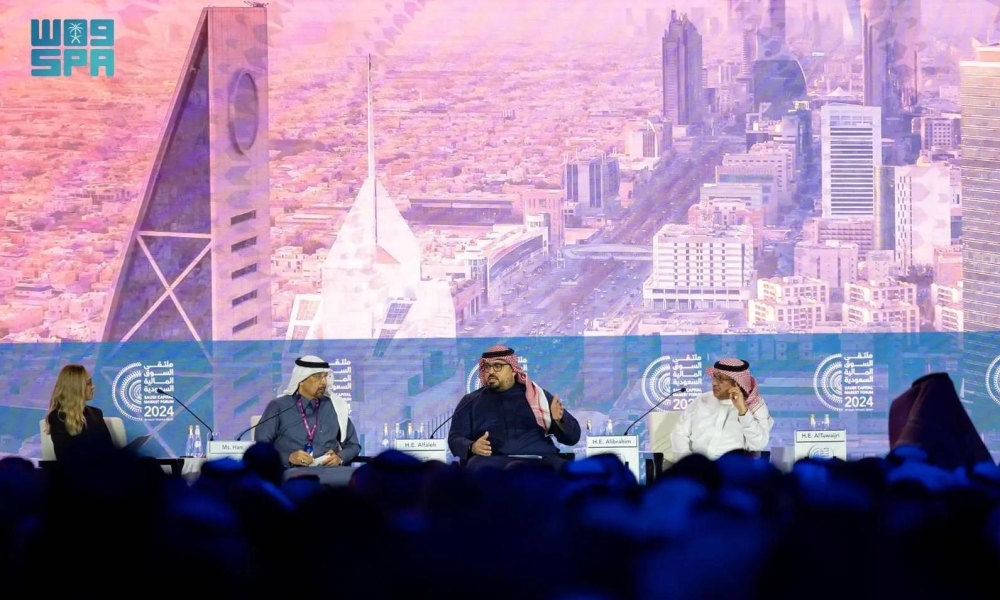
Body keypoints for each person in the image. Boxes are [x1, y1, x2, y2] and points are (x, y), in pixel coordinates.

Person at [448, 345, 581, 471]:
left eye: (498, 366)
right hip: (494, 463)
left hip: (540, 460)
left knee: (564, 469)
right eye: (487, 367)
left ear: (513, 370)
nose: (491, 371)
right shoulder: (471, 401)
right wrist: (472, 447)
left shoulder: (537, 395)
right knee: (477, 465)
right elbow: (455, 438)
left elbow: (573, 438)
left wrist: (559, 421)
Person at [255, 356, 362, 485]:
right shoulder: (279, 406)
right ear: (301, 380)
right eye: (317, 377)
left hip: (330, 473)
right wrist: (288, 457)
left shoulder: (335, 406)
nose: (324, 382)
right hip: (292, 474)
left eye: (325, 376)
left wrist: (340, 457)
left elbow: (353, 445)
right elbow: (262, 447)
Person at [670, 358, 773, 461]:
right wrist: (687, 462)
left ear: (737, 383)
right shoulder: (702, 400)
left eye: (721, 378)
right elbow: (679, 433)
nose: (715, 383)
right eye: (714, 377)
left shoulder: (755, 406)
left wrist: (743, 411)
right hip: (696, 464)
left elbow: (758, 445)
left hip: (730, 467)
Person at [45, 364, 115, 461]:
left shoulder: (96, 413)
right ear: (76, 387)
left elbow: (109, 449)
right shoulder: (58, 418)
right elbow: (65, 459)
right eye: (89, 383)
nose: (93, 386)